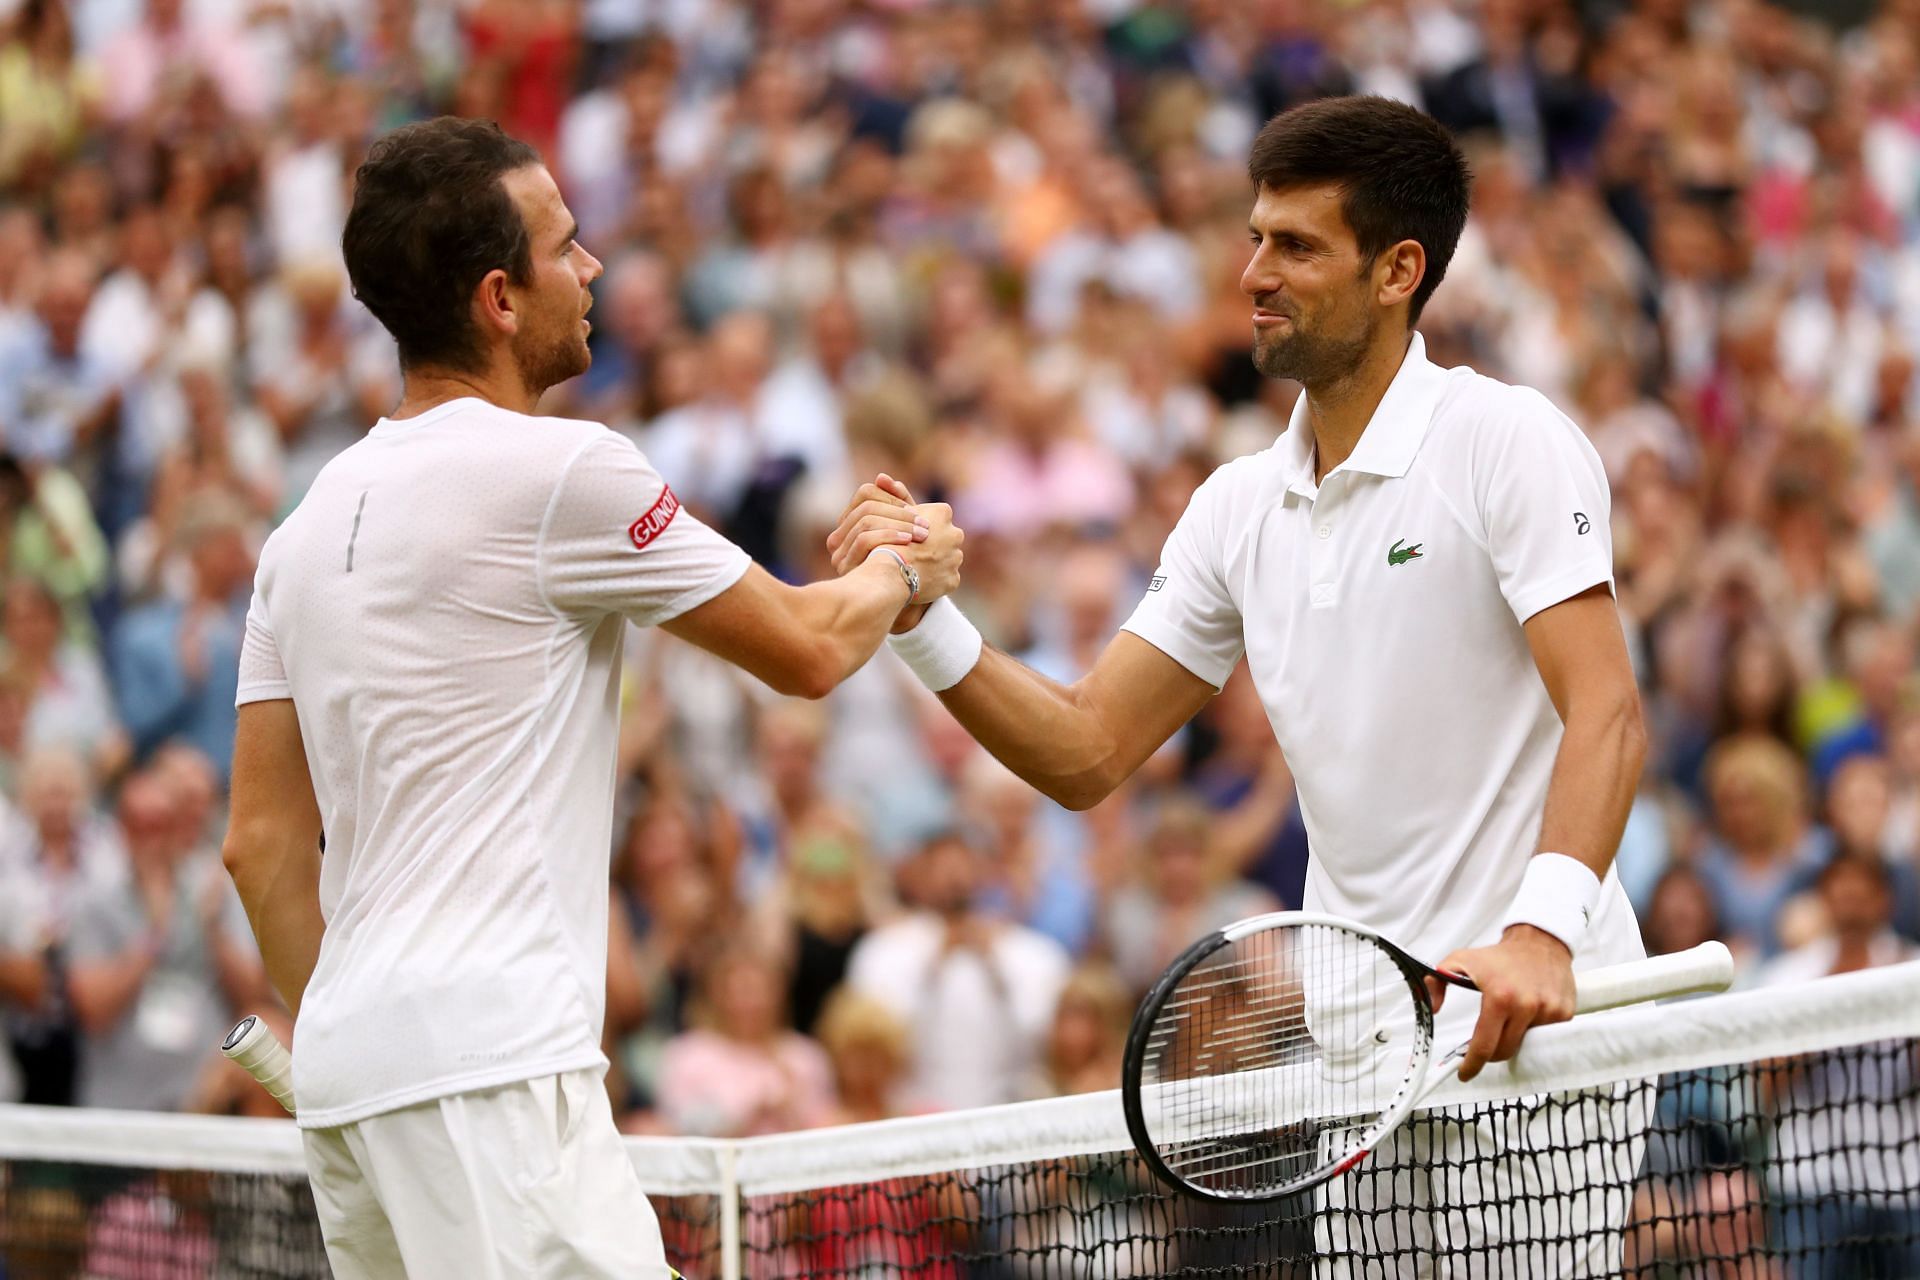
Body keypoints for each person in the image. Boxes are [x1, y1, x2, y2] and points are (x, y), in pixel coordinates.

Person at [828, 95, 1648, 1275]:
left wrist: (1542, 932)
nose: (1255, 271)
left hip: (1533, 1040)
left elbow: (1609, 710)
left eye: (1296, 245)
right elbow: (1085, 747)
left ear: (1396, 271)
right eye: (1256, 237)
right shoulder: (1233, 508)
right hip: (1366, 1058)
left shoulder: (1504, 439)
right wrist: (918, 616)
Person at [219, 116, 962, 1280]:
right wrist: (909, 562)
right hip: (490, 1067)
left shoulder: (298, 530)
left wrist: (363, 1035)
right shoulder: (567, 469)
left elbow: (260, 850)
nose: (595, 267)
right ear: (501, 298)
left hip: (354, 1082)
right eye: (569, 245)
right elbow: (810, 647)